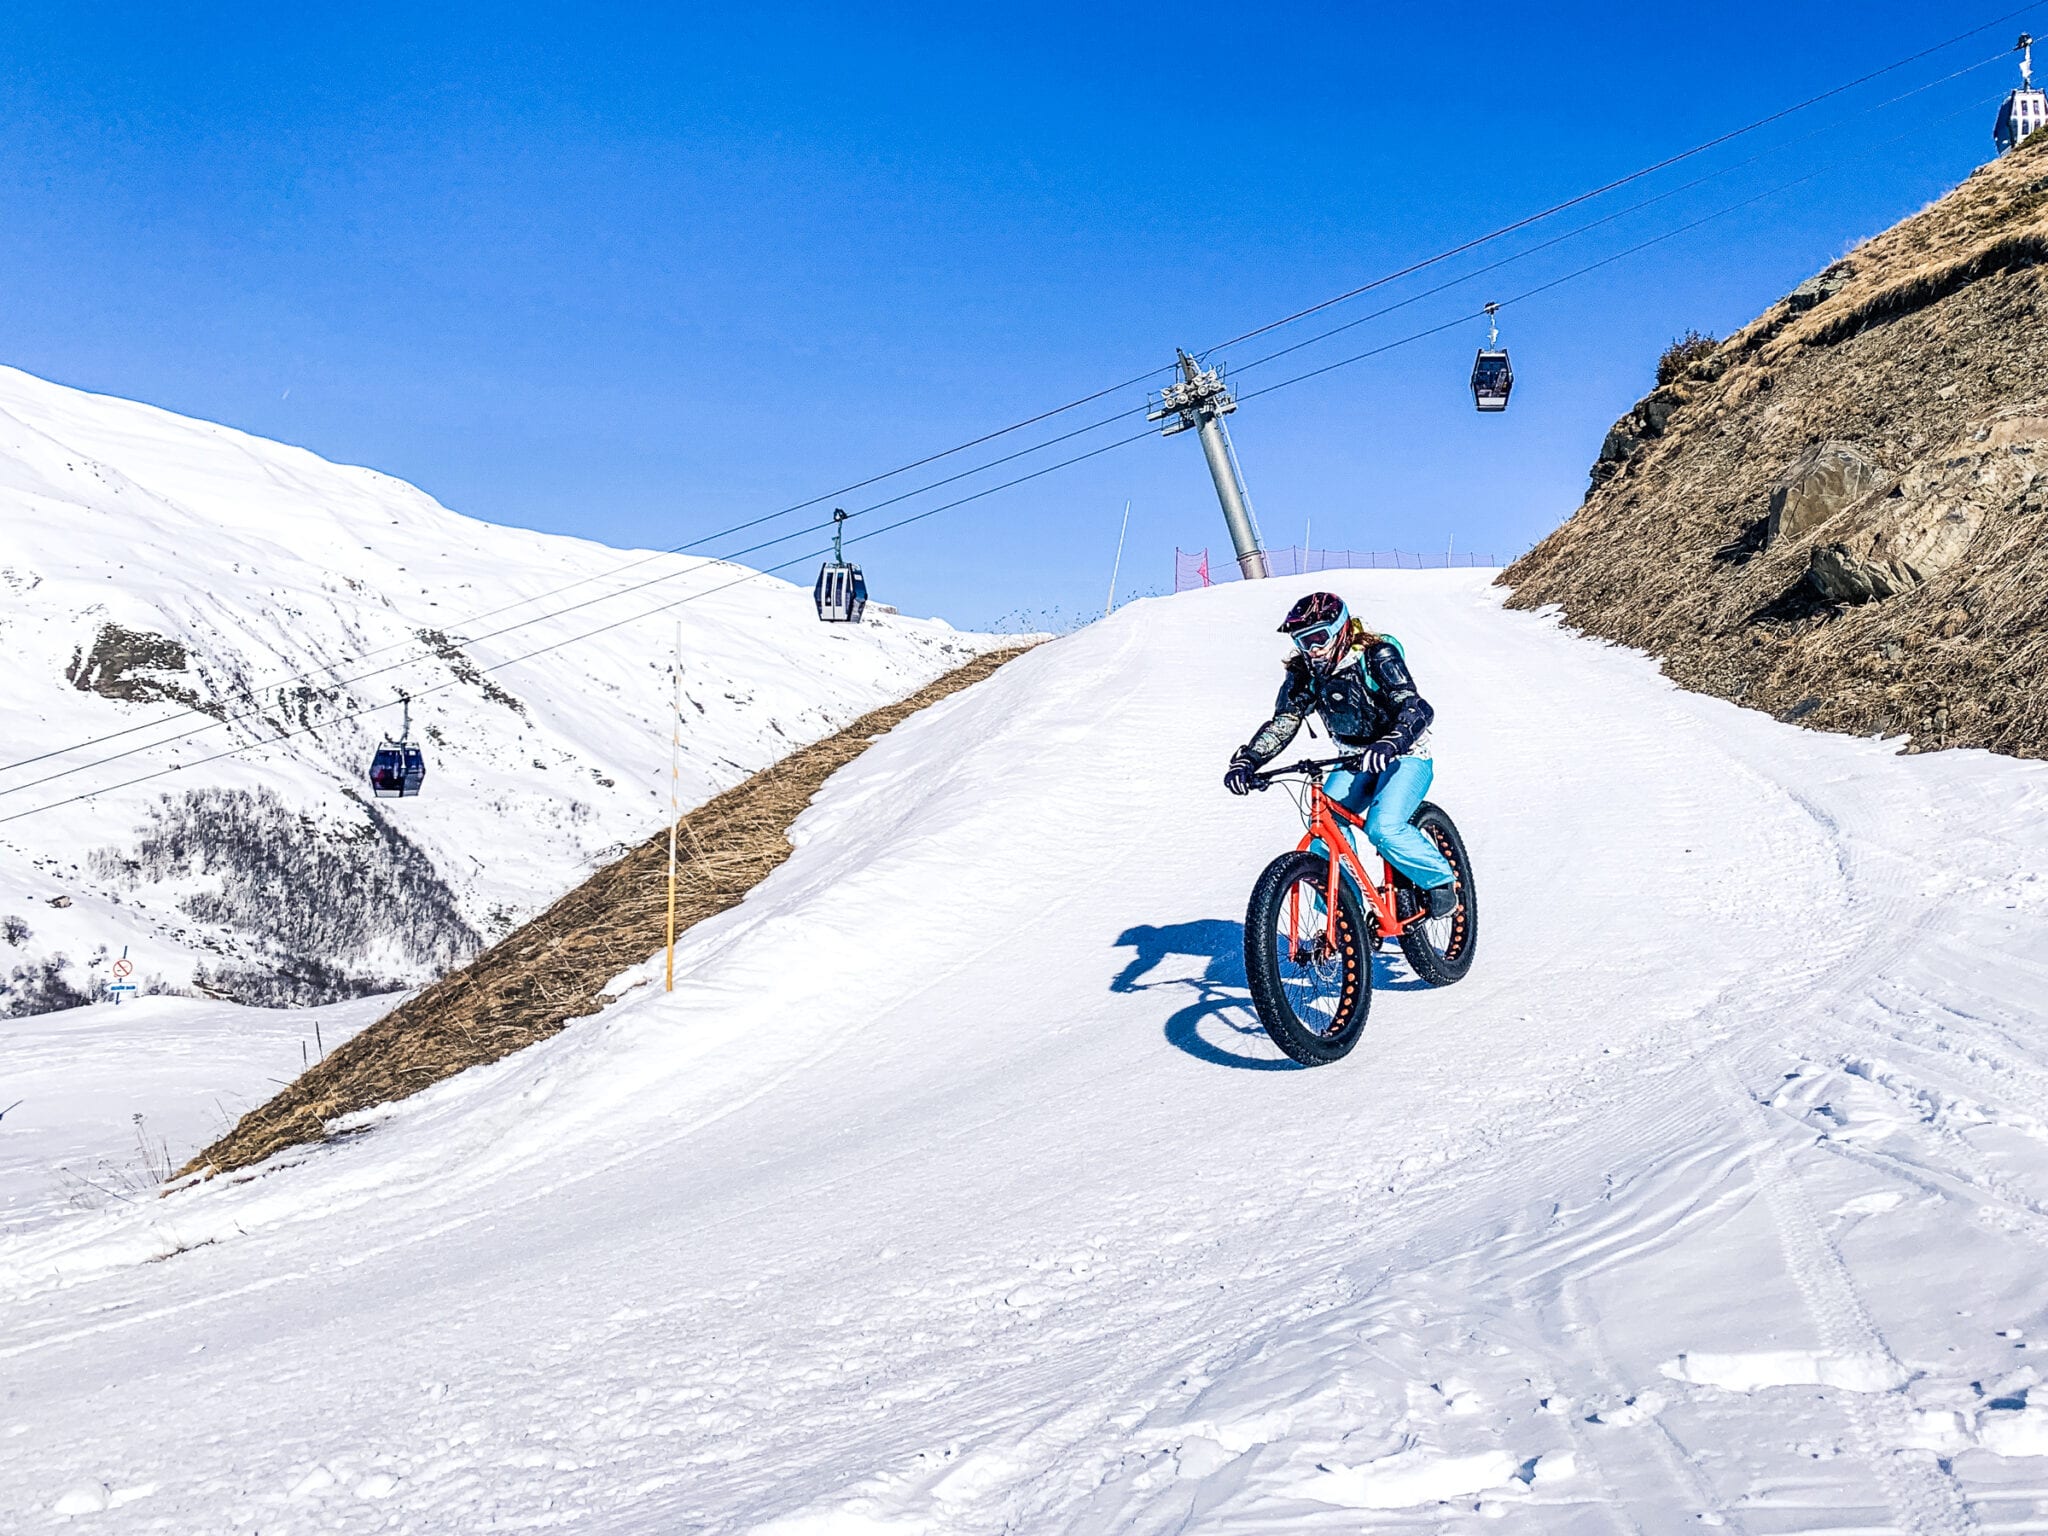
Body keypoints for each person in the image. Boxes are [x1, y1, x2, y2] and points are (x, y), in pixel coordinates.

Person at [1224, 591, 1459, 918]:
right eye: (1304, 641)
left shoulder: (1377, 656)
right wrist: (1249, 760)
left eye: (1319, 638)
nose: (1313, 649)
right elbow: (1285, 721)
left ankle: (1439, 881)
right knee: (1323, 824)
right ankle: (1348, 910)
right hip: (1353, 758)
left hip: (1406, 755)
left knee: (1384, 828)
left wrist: (1391, 742)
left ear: (1341, 629)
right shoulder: (1305, 673)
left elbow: (1415, 707)